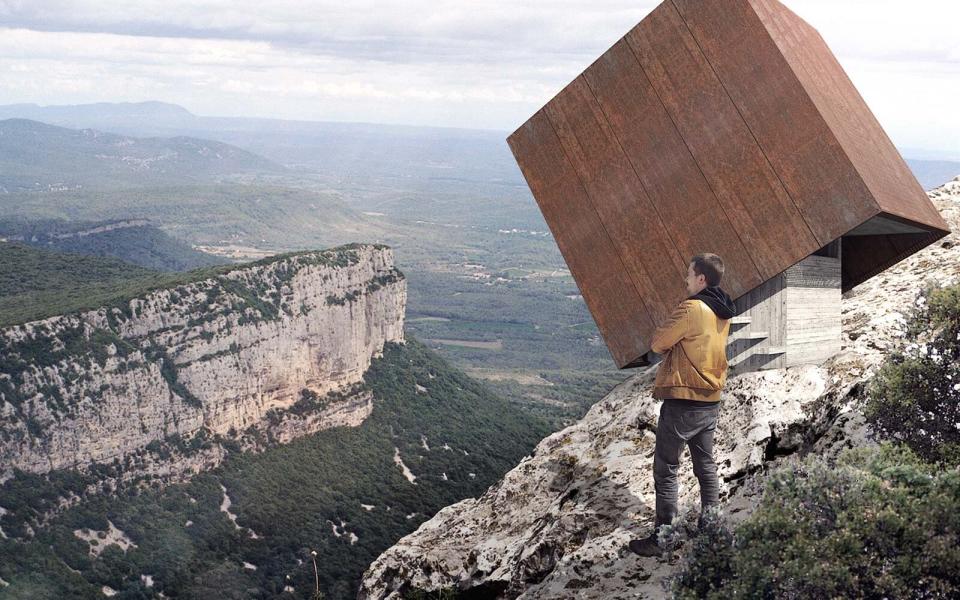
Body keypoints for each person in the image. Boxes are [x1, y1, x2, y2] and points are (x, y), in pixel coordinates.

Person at [628, 252, 737, 557]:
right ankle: (712, 524)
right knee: (705, 463)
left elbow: (659, 341)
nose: (686, 279)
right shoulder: (722, 309)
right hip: (711, 398)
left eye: (689, 274)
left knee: (666, 468)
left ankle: (664, 537)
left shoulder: (692, 309)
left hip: (684, 398)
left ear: (701, 279)